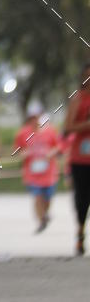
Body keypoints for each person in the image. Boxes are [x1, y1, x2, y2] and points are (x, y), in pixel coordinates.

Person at [13, 103, 61, 233]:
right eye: (32, 118)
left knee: (47, 198)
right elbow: (17, 149)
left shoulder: (50, 131)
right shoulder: (23, 133)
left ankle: (45, 213)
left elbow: (58, 146)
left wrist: (51, 153)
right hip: (32, 172)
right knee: (38, 196)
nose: (35, 120)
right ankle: (41, 220)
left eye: (37, 117)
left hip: (49, 172)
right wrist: (23, 153)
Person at [64, 61, 90, 255]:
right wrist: (87, 125)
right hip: (80, 159)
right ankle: (80, 231)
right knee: (82, 198)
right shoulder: (78, 100)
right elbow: (68, 128)